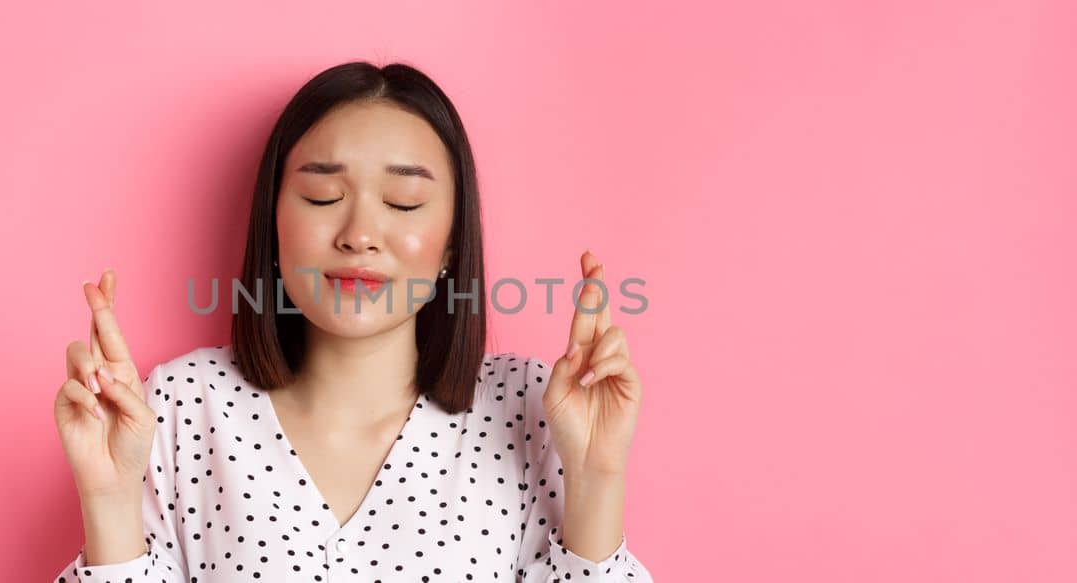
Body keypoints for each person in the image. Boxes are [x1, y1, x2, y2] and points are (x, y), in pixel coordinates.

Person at [51, 61, 653, 582]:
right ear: (274, 225)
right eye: (322, 198)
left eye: (404, 204)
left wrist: (598, 475)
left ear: (451, 244)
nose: (360, 235)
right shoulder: (183, 406)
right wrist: (107, 497)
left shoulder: (528, 405)